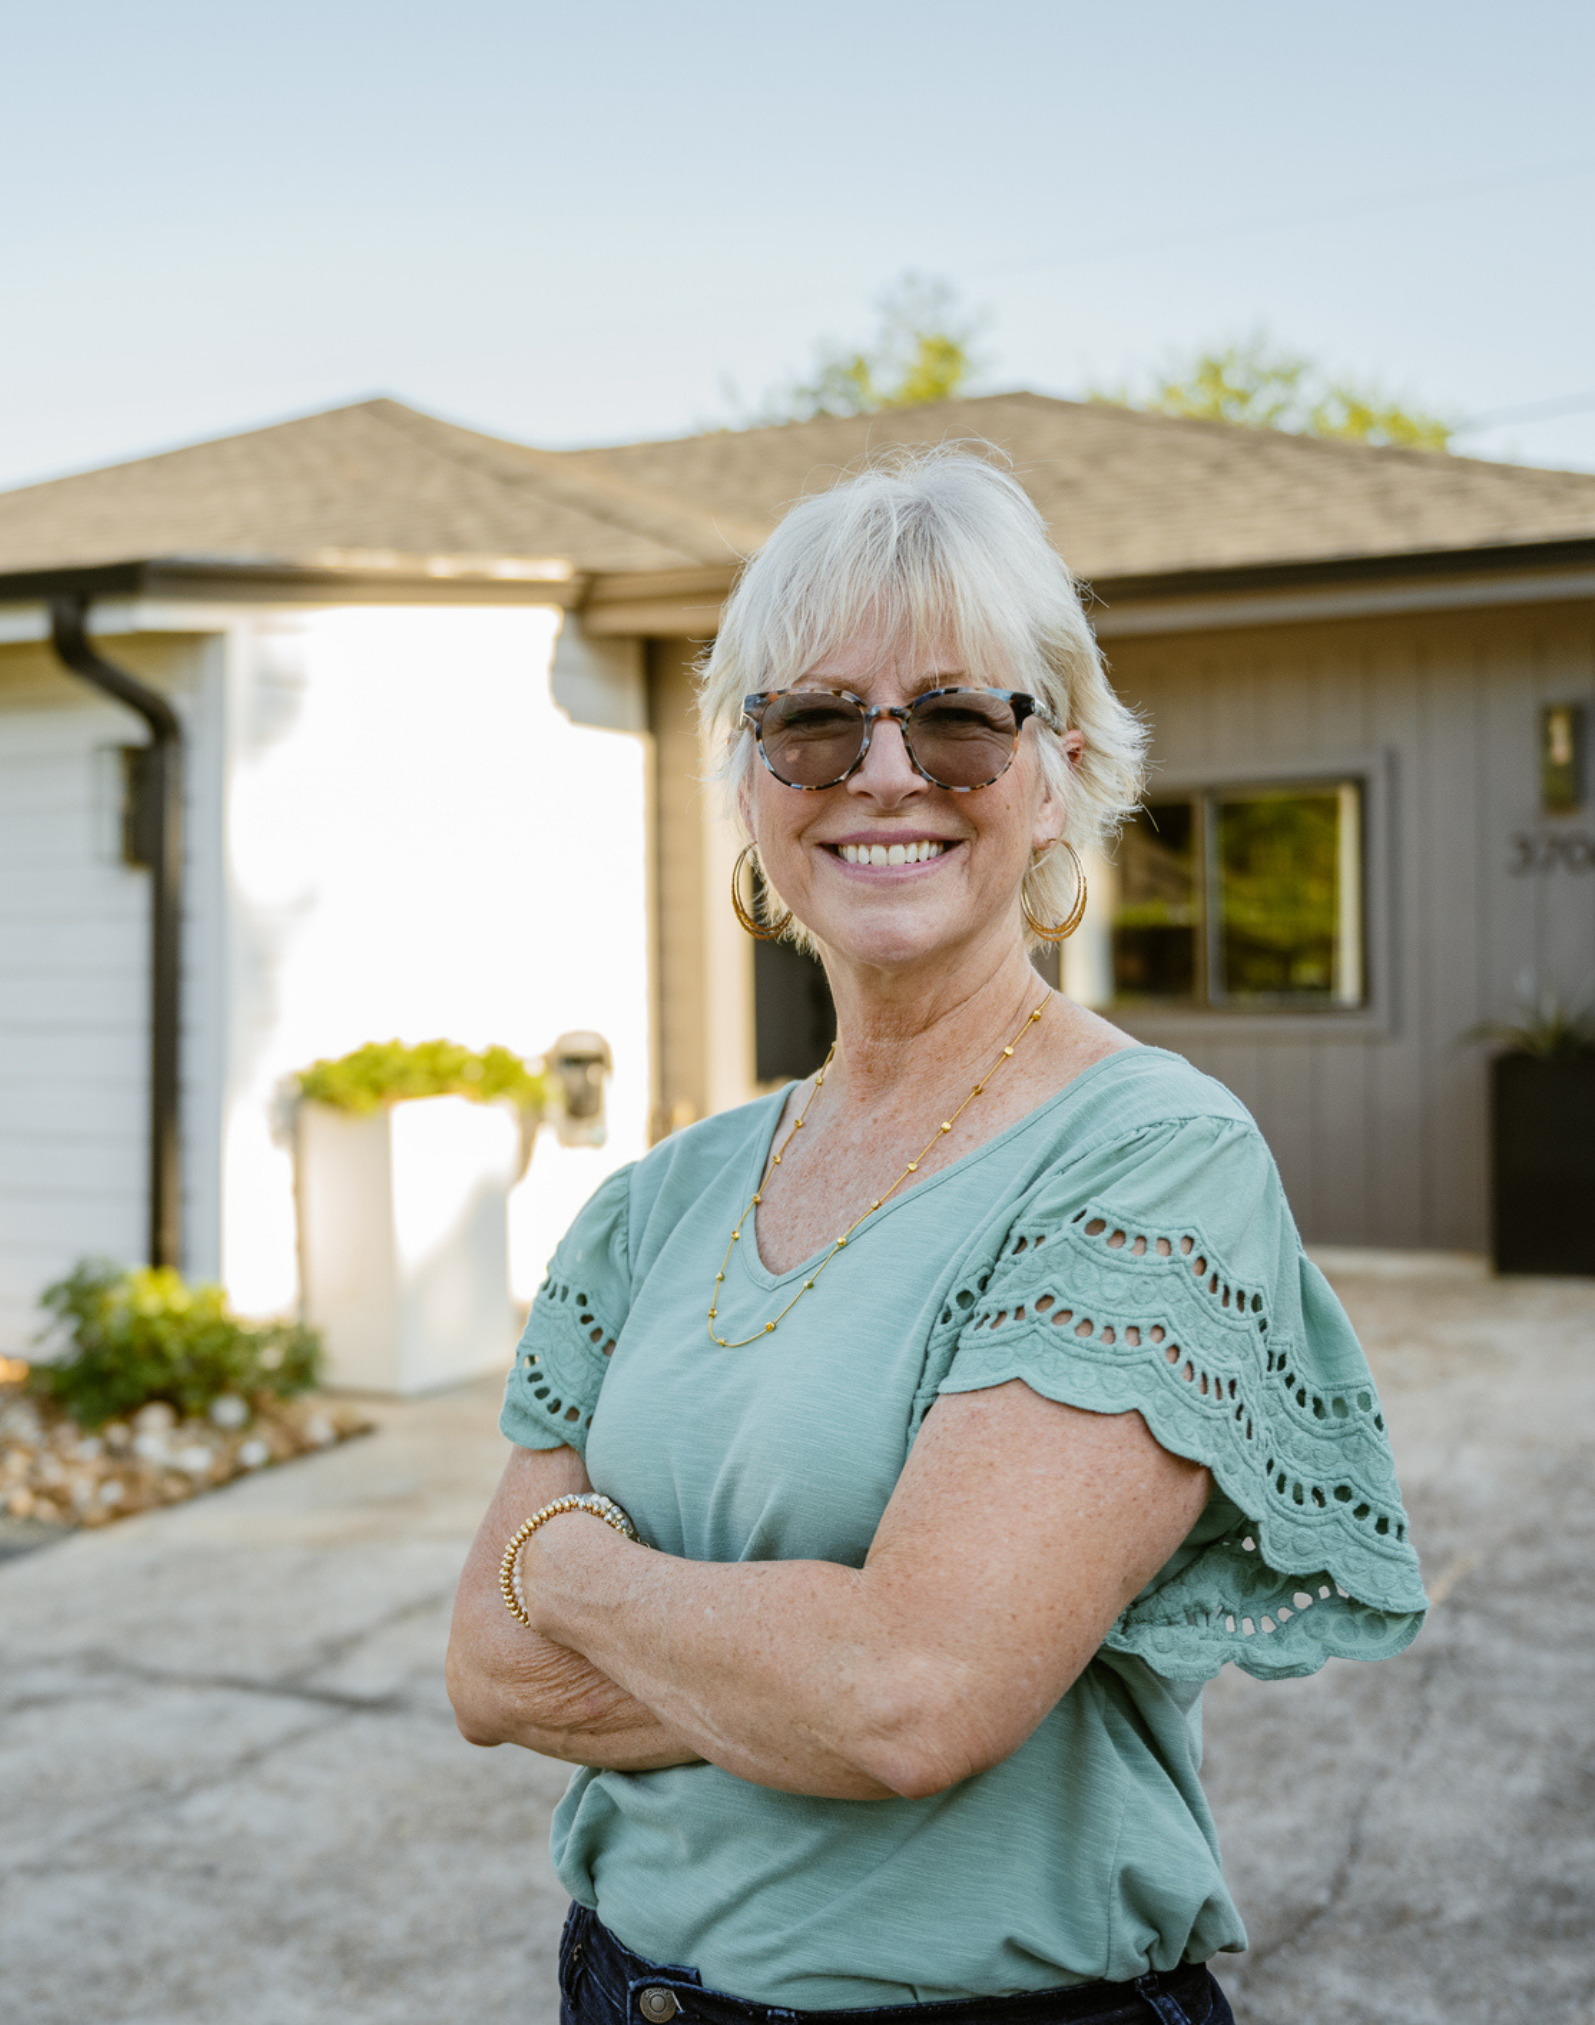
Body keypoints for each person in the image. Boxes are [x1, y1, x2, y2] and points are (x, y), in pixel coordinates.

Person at [446, 449, 1426, 2025]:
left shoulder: (1150, 1159)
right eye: (814, 718)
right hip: (621, 1990)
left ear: (1060, 769)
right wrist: (795, 1667)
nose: (885, 772)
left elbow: (909, 1700)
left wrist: (561, 1565)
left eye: (962, 718)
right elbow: (483, 1678)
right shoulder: (657, 1199)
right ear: (754, 780)